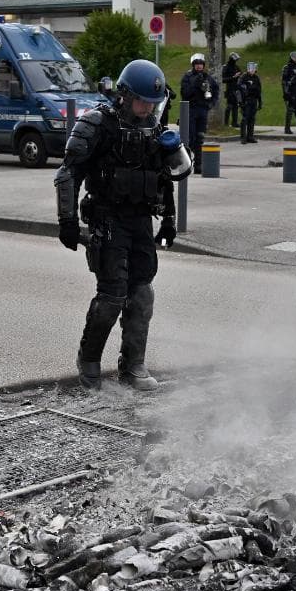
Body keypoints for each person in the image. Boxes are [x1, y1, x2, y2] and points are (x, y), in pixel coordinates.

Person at [54, 59, 192, 391]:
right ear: (124, 95)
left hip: (141, 220)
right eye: (143, 101)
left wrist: (170, 220)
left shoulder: (156, 130)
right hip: (107, 218)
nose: (147, 108)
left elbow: (165, 178)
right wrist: (68, 221)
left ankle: (133, 366)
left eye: (153, 103)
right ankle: (88, 362)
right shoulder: (97, 124)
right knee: (112, 296)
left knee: (142, 294)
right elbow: (68, 173)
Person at [180, 53, 218, 173]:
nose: (199, 66)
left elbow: (215, 90)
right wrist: (195, 84)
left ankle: (198, 166)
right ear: (193, 65)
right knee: (190, 138)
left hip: (202, 110)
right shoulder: (187, 76)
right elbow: (184, 93)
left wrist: (211, 103)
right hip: (191, 110)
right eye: (196, 64)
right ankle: (186, 164)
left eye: (201, 64)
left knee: (200, 138)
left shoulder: (207, 77)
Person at [236, 61, 262, 144]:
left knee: (252, 119)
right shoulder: (243, 77)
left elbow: (259, 91)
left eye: (254, 68)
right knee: (245, 119)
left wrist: (260, 101)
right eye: (251, 68)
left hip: (254, 100)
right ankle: (243, 137)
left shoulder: (256, 78)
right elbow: (238, 91)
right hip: (246, 101)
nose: (252, 70)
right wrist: (240, 102)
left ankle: (250, 136)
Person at [222, 52, 242, 128]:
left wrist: (240, 76)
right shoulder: (226, 67)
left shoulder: (236, 67)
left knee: (236, 106)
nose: (235, 61)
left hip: (236, 89)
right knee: (229, 106)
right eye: (235, 60)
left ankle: (234, 122)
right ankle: (226, 123)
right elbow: (223, 79)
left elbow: (241, 74)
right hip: (229, 89)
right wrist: (233, 77)